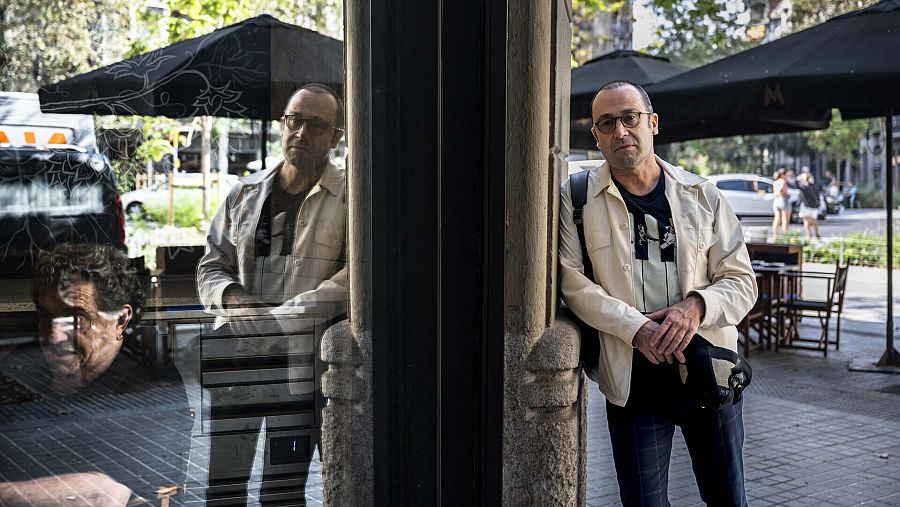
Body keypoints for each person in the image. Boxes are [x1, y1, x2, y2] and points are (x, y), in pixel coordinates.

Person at [559, 81, 757, 506]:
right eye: (607, 123)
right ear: (596, 136)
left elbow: (742, 281)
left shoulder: (702, 195)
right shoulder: (577, 198)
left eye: (629, 118)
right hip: (634, 384)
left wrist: (696, 307)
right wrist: (637, 329)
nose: (620, 131)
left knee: (728, 498)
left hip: (707, 373)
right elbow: (572, 283)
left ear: (652, 123)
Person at [196, 83, 348, 505]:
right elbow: (210, 266)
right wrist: (232, 298)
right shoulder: (244, 193)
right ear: (283, 124)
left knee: (281, 494)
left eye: (316, 125)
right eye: (294, 120)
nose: (301, 132)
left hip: (301, 373)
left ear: (336, 136)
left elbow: (355, 279)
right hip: (238, 367)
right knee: (223, 490)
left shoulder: (350, 198)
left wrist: (279, 320)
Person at [32, 242, 144, 395]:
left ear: (120, 320)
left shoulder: (140, 391)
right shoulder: (28, 376)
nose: (54, 337)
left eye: (76, 319)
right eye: (45, 316)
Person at [798, 171, 822, 240]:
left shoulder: (806, 186)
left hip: (809, 205)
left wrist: (799, 178)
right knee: (810, 221)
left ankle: (812, 235)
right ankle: (812, 235)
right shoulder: (810, 186)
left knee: (810, 221)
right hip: (809, 205)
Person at [772, 168, 791, 240]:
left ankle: (775, 236)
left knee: (777, 219)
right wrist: (786, 193)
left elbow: (775, 192)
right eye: (787, 174)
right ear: (783, 175)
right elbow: (782, 190)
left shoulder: (775, 182)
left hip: (776, 201)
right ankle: (785, 236)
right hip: (783, 200)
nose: (788, 176)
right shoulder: (783, 181)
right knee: (785, 219)